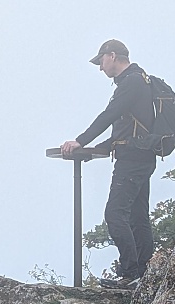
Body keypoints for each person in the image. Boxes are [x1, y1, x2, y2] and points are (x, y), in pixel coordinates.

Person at [60, 39, 156, 289]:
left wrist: (80, 141)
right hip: (141, 156)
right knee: (137, 216)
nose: (100, 67)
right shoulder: (140, 80)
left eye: (101, 61)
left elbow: (109, 116)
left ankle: (131, 273)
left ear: (112, 56)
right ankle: (145, 275)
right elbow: (122, 130)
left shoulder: (131, 82)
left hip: (132, 159)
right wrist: (94, 149)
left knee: (115, 214)